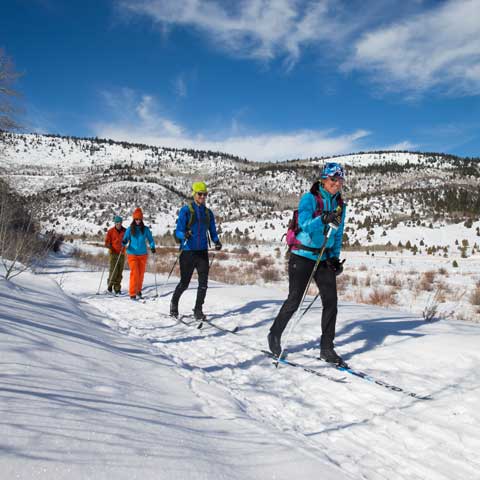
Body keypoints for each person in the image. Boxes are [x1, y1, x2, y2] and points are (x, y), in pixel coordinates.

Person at [268, 162, 347, 364]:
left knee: (331, 302)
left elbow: (337, 234)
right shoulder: (309, 199)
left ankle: (327, 348)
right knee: (295, 300)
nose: (337, 184)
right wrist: (323, 218)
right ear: (323, 179)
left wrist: (335, 258)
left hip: (324, 257)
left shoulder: (340, 205)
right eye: (333, 179)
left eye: (340, 180)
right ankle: (274, 335)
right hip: (302, 255)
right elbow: (304, 225)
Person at [170, 181, 222, 320]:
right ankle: (174, 303)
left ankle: (198, 309)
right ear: (194, 194)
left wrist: (216, 241)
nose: (203, 197)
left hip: (202, 252)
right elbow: (178, 231)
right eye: (200, 194)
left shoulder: (208, 213)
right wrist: (184, 235)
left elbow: (212, 230)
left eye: (205, 194)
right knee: (185, 283)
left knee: (203, 283)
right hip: (188, 251)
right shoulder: (186, 211)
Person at [121, 208, 156, 300]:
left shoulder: (145, 229)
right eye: (136, 219)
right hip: (132, 254)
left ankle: (138, 290)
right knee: (135, 273)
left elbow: (150, 239)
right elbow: (124, 240)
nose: (138, 221)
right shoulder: (129, 229)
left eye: (139, 219)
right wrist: (124, 242)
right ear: (133, 219)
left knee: (141, 274)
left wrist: (152, 246)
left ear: (142, 219)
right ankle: (132, 293)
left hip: (143, 254)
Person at [104, 215, 126, 294]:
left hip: (122, 253)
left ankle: (117, 289)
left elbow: (128, 239)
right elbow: (106, 242)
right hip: (113, 253)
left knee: (119, 272)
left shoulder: (125, 231)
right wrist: (109, 245)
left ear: (121, 223)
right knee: (113, 271)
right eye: (117, 223)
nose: (118, 224)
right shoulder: (111, 231)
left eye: (120, 223)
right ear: (115, 223)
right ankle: (109, 286)